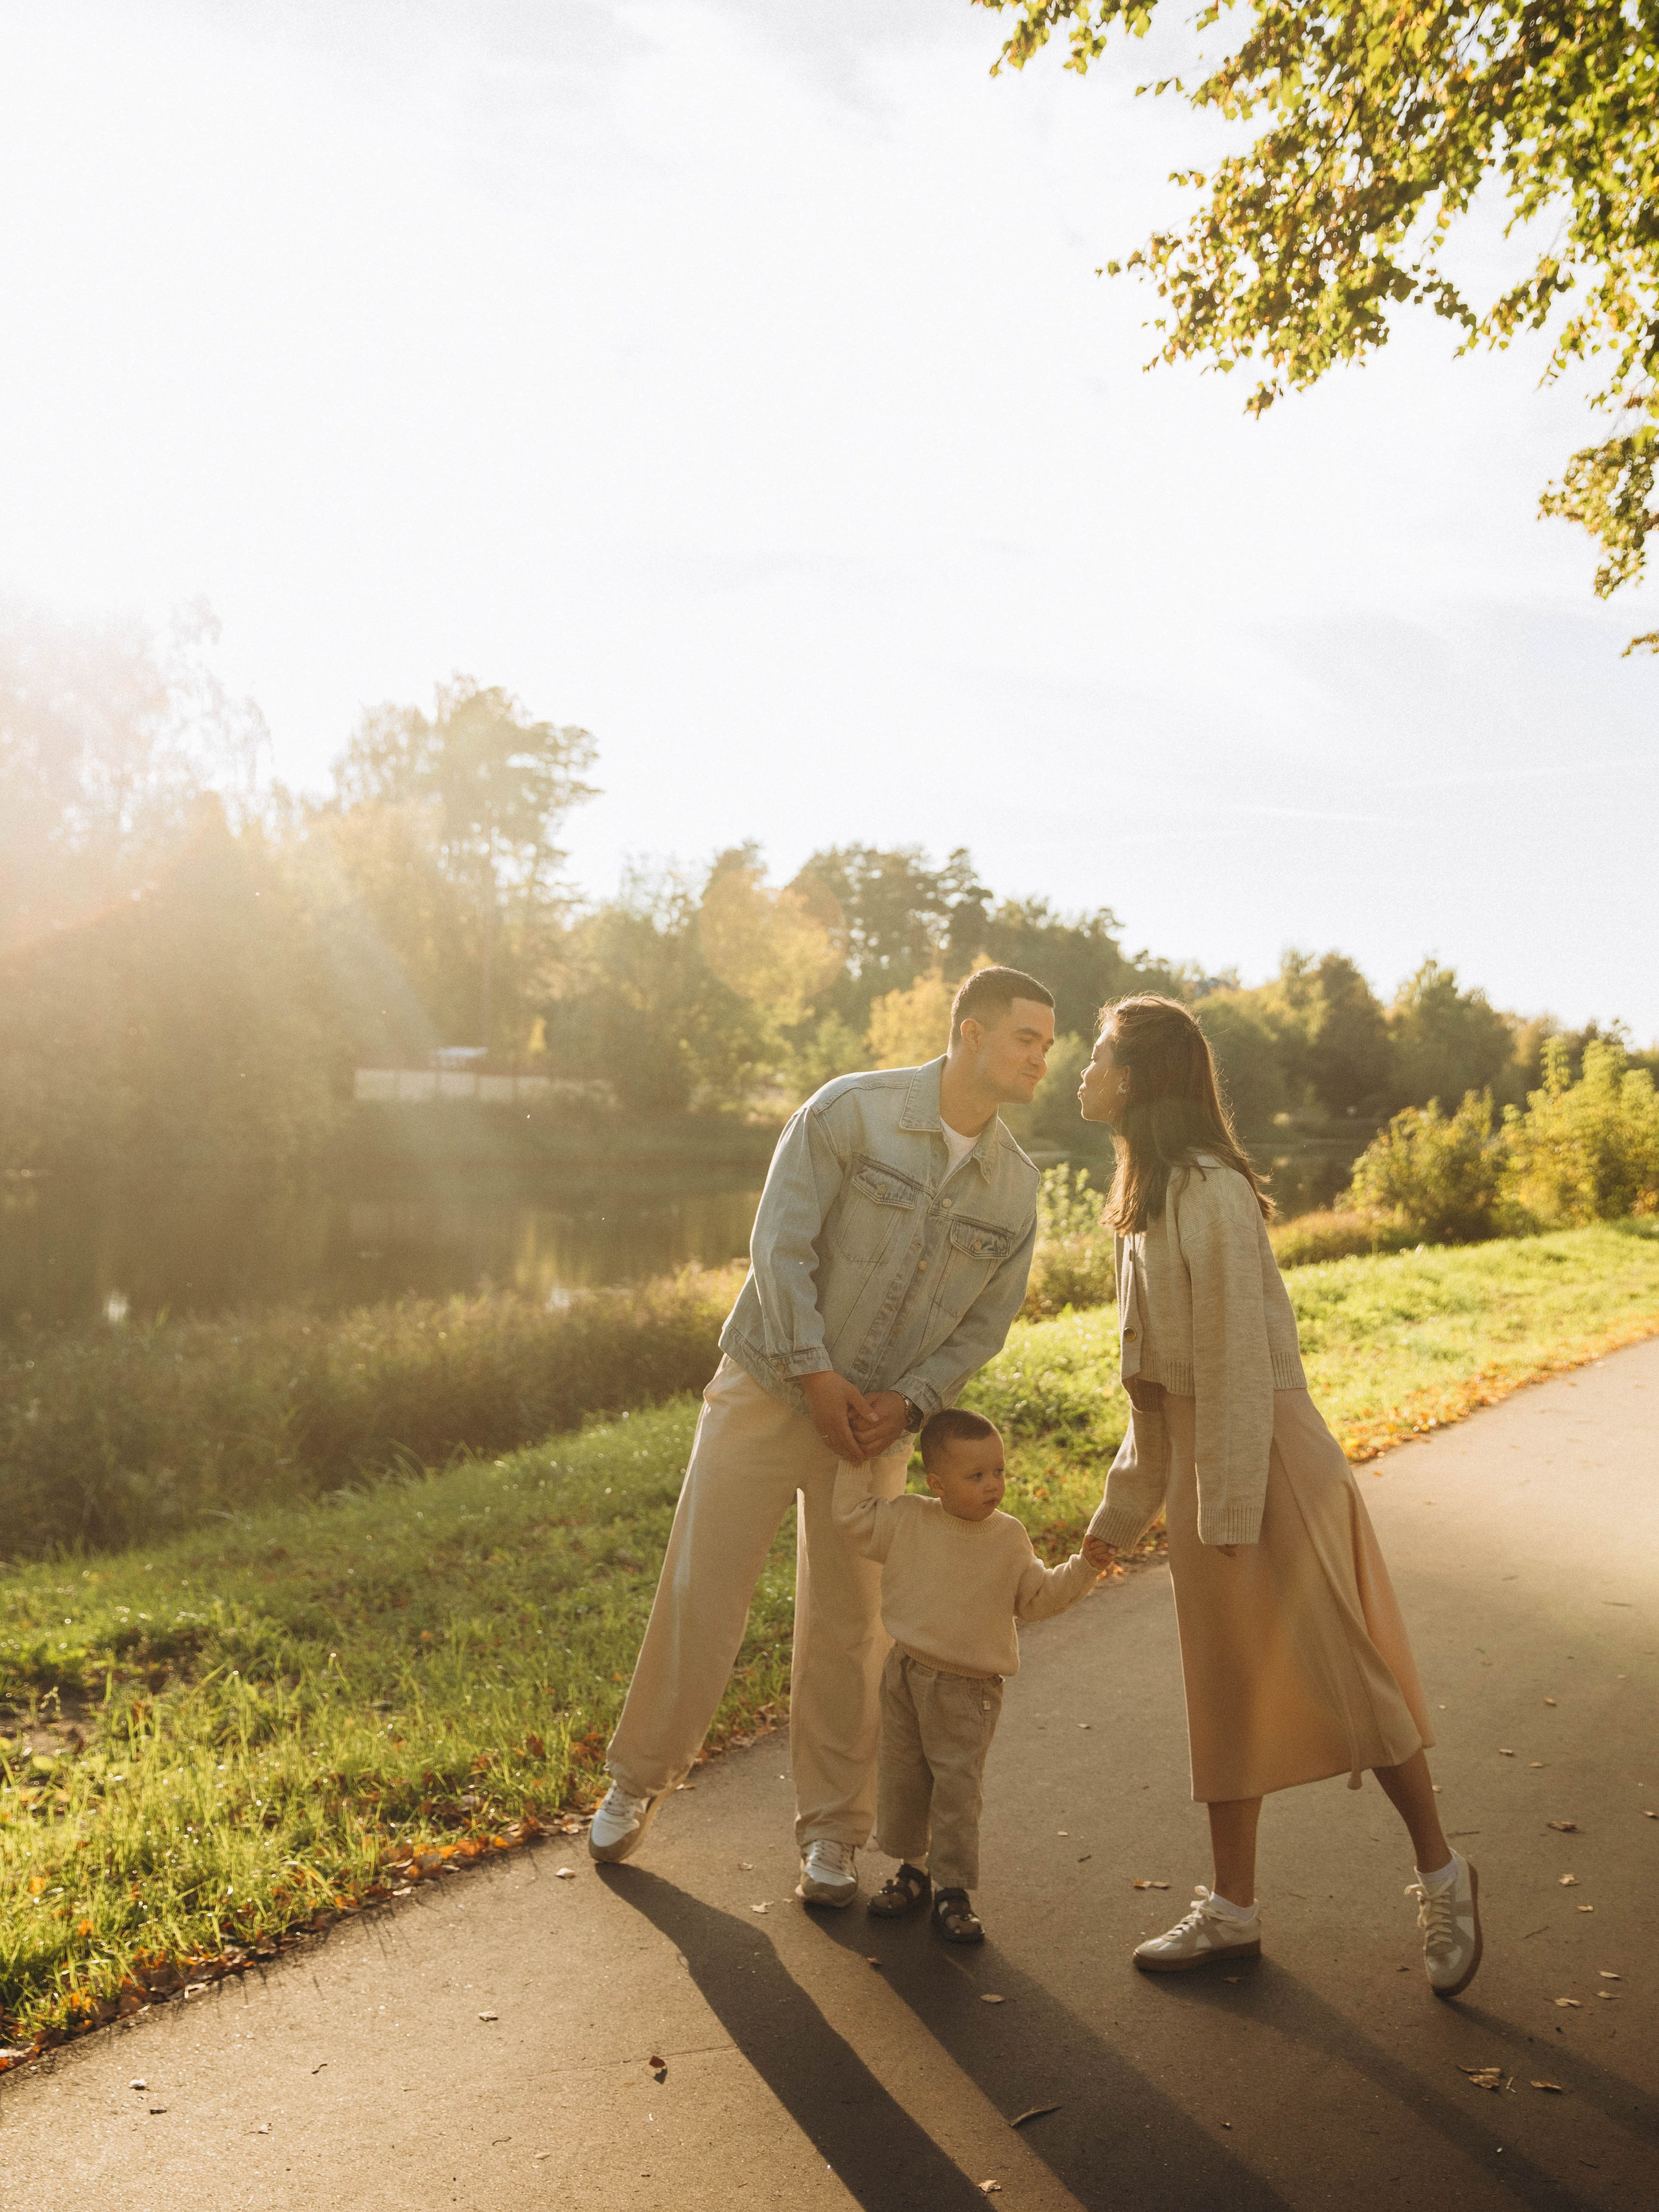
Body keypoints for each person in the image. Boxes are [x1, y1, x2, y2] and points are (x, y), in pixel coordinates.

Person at [588, 966, 1057, 1909]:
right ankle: (637, 1780)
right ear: (967, 1033)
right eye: (1026, 1038)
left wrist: (912, 1403)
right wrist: (814, 1370)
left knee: (854, 1631)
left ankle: (835, 1838)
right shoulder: (851, 1113)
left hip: (876, 1430)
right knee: (701, 1591)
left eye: (1048, 1043)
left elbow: (984, 1327)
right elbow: (779, 1246)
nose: (1042, 1057)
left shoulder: (1017, 1188)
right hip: (770, 1388)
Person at [1078, 995, 1482, 1996]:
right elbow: (1158, 1396)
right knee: (1222, 1686)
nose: (1080, 1070)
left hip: (1269, 1465)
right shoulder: (1144, 1202)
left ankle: (1443, 1875)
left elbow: (1236, 1369)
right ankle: (1233, 1910)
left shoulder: (1207, 1190)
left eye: (1095, 1054)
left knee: (1351, 1675)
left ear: (1131, 1079)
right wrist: (1116, 1523)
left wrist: (1223, 1512)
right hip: (1214, 1467)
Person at [833, 1406, 1094, 1944]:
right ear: (938, 1483)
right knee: (903, 1778)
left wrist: (1086, 1565)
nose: (993, 1485)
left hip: (967, 1689)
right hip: (905, 1673)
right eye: (976, 1476)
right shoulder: (908, 1518)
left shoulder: (1008, 1537)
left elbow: (1038, 1597)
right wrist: (857, 1454)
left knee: (955, 1790)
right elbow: (851, 1516)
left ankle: (954, 1889)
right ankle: (913, 1869)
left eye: (998, 1471)